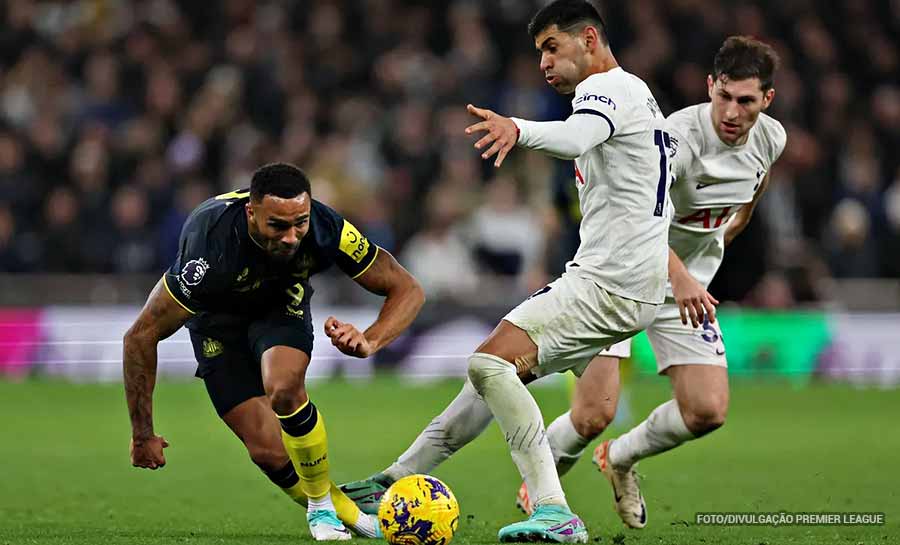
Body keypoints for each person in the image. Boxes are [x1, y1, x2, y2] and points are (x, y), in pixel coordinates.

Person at [342, 1, 674, 542]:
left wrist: (518, 128)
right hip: (632, 283)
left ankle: (553, 511)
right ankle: (395, 479)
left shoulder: (605, 89)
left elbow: (573, 138)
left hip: (607, 281)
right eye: (538, 51)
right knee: (506, 372)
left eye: (552, 47)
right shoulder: (642, 98)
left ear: (589, 38)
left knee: (489, 366)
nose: (543, 62)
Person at [515, 35, 787, 529]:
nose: (731, 111)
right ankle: (544, 485)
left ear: (766, 100)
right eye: (723, 96)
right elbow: (638, 218)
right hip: (623, 275)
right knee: (592, 414)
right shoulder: (675, 140)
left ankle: (619, 457)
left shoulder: (772, 138)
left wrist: (712, 250)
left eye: (746, 101)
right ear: (710, 87)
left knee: (706, 411)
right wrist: (681, 275)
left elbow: (748, 197)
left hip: (686, 291)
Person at [122, 163, 425, 540]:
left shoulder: (325, 227)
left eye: (300, 222)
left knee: (282, 386)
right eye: (278, 226)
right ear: (251, 213)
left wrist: (371, 340)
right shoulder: (208, 247)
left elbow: (408, 288)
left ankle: (319, 509)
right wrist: (142, 434)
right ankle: (346, 512)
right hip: (216, 322)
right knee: (266, 449)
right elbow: (139, 337)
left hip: (280, 303)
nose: (291, 236)